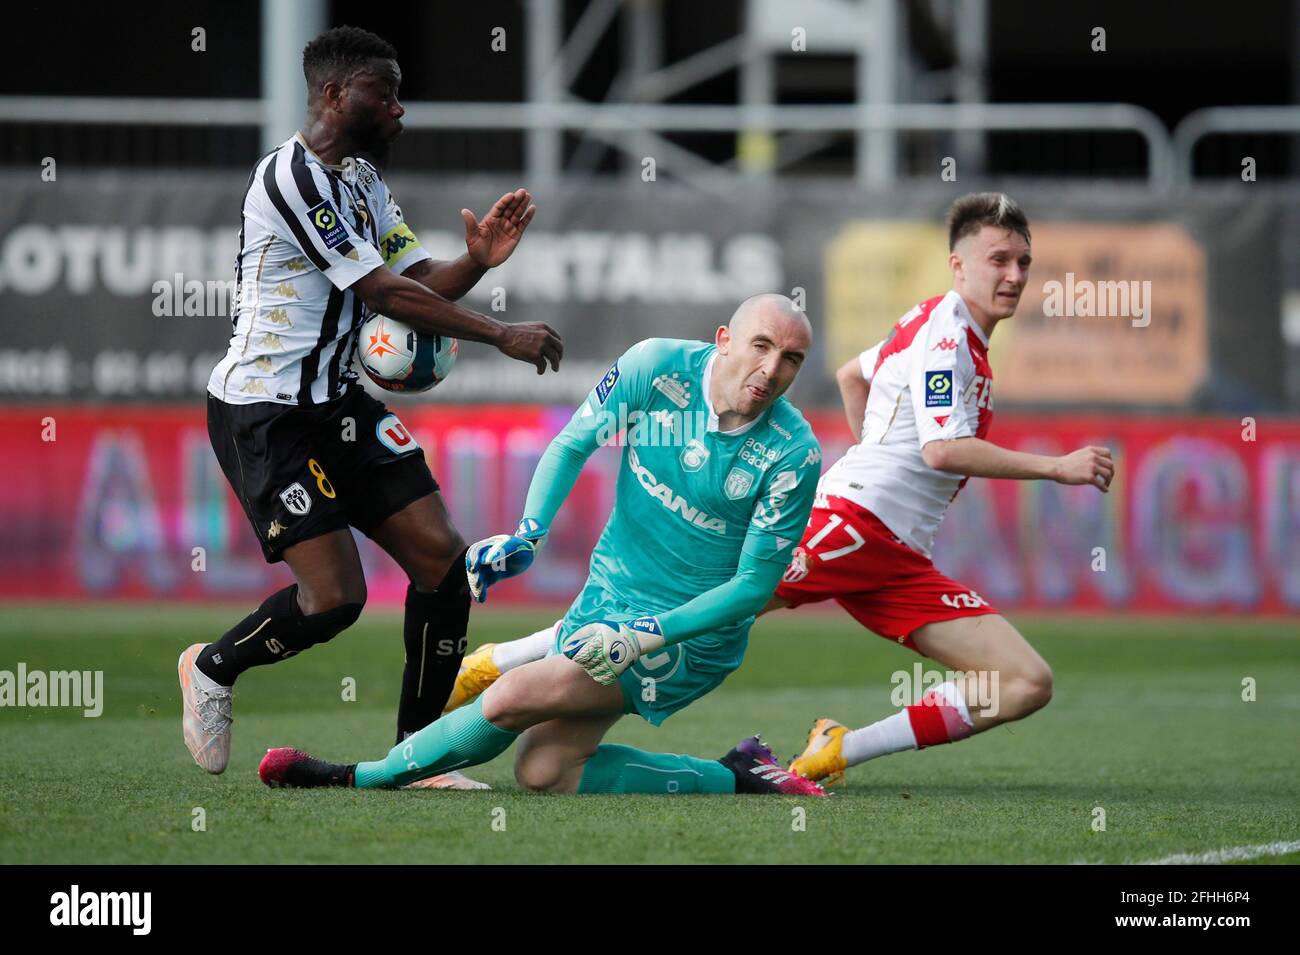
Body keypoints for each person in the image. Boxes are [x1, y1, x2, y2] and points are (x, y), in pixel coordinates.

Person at [448, 193, 1115, 787]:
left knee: (1026, 681)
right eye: (999, 259)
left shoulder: (932, 323)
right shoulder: (948, 340)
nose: (1014, 275)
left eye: (1024, 263)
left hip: (895, 549)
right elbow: (941, 448)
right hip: (853, 524)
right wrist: (1057, 468)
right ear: (959, 265)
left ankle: (839, 748)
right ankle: (498, 664)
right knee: (698, 604)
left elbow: (855, 375)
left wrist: (871, 454)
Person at [179, 25, 562, 779]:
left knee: (443, 562)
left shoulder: (360, 180)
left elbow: (414, 280)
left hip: (337, 402)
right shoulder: (290, 179)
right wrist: (499, 334)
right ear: (333, 95)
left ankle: (416, 758)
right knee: (334, 599)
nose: (399, 110)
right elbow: (380, 292)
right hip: (265, 411)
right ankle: (213, 668)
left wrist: (475, 262)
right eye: (383, 94)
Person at [257, 294, 826, 797]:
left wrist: (645, 634)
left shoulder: (791, 452)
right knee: (546, 770)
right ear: (724, 341)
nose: (771, 369)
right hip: (607, 599)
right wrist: (529, 534)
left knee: (510, 698)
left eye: (791, 358)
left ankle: (357, 777)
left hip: (686, 635)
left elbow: (752, 589)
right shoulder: (657, 367)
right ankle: (741, 774)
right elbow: (574, 443)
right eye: (761, 345)